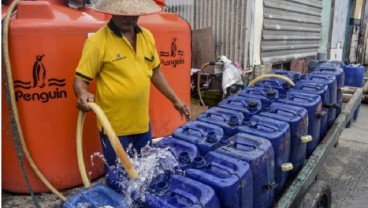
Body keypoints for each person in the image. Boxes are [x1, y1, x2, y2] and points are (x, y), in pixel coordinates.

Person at [73, 0, 191, 173]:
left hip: (142, 124)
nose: (130, 19)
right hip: (115, 128)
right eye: (124, 14)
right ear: (112, 12)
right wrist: (82, 93)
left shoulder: (147, 36)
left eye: (134, 14)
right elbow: (80, 79)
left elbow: (156, 73)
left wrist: (176, 101)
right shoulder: (98, 42)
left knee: (145, 175)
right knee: (119, 177)